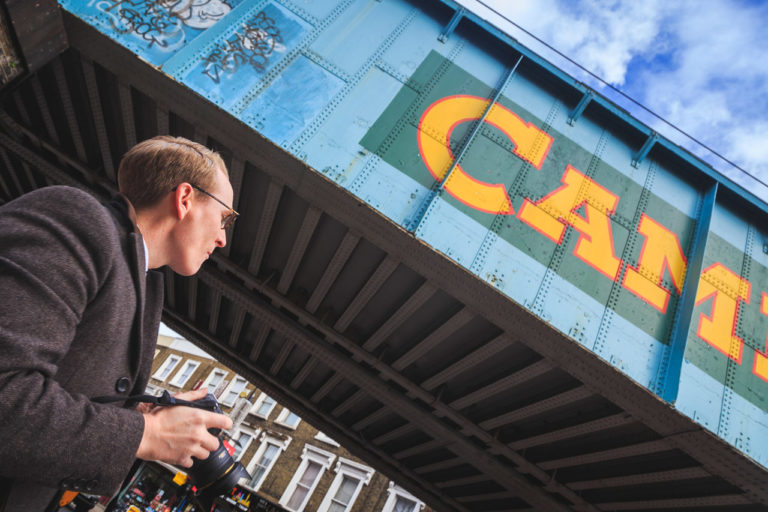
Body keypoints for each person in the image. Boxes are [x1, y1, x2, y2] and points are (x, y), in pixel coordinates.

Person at [0, 135, 238, 511]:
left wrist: (135, 414)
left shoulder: (143, 281)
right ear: (185, 199)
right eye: (225, 217)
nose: (223, 238)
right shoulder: (79, 219)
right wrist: (145, 435)